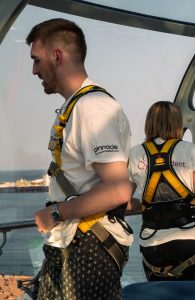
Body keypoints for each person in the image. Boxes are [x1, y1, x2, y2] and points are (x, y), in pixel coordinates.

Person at [27, 18, 133, 299]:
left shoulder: (92, 108)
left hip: (88, 246)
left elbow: (119, 189)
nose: (34, 70)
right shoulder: (76, 106)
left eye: (37, 60)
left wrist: (55, 213)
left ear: (57, 55)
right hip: (72, 242)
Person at [127, 101, 195, 280]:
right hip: (193, 242)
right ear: (177, 123)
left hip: (154, 245)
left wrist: (143, 205)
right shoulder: (190, 150)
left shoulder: (134, 154)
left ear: (149, 123)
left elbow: (123, 201)